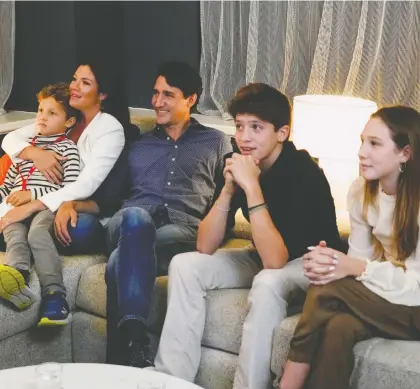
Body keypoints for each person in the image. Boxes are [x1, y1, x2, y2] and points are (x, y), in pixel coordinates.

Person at [153, 83, 342, 389]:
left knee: (268, 282)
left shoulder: (302, 171)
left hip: (314, 265)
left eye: (257, 127)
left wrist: (252, 187)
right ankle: (171, 380)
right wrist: (228, 190)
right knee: (185, 265)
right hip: (266, 256)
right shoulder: (239, 163)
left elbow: (275, 262)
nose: (244, 137)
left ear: (282, 133)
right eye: (240, 127)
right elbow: (204, 245)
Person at [99, 61, 233, 368]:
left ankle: (126, 357)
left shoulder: (216, 142)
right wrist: (70, 204)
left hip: (180, 232)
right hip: (127, 223)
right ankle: (136, 341)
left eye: (168, 95)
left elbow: (227, 198)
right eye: (156, 93)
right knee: (136, 218)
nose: (157, 102)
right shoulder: (138, 143)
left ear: (191, 99)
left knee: (119, 262)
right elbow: (107, 196)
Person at [279, 106, 420, 389]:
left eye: (375, 144)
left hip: (415, 305)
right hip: (387, 300)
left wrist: (349, 267)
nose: (361, 152)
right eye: (362, 141)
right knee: (338, 328)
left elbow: (415, 285)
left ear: (405, 153)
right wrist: (328, 261)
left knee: (323, 291)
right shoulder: (361, 191)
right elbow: (358, 261)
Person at [0, 59, 129, 253]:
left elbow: (85, 185)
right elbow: (10, 139)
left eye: (85, 83)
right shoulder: (65, 118)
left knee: (79, 229)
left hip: (79, 207)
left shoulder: (109, 128)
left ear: (102, 94)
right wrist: (36, 154)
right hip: (37, 195)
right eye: (75, 79)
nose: (74, 87)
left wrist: (32, 205)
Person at [0, 82, 80, 326]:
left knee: (36, 235)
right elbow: (7, 185)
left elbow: (71, 188)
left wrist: (32, 194)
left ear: (69, 122)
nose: (42, 118)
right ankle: (17, 276)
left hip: (45, 208)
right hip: (15, 210)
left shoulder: (67, 149)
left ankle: (55, 294)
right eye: (40, 111)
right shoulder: (26, 151)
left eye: (52, 113)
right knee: (13, 232)